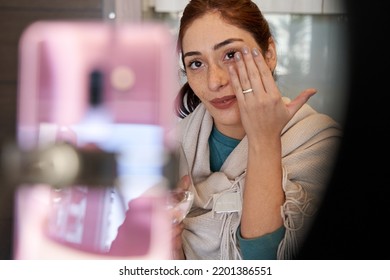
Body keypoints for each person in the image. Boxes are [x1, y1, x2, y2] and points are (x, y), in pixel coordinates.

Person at [171, 0, 342, 260]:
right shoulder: (174, 147)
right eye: (196, 63)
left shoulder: (320, 144)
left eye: (230, 55)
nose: (214, 81)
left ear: (269, 53)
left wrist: (264, 139)